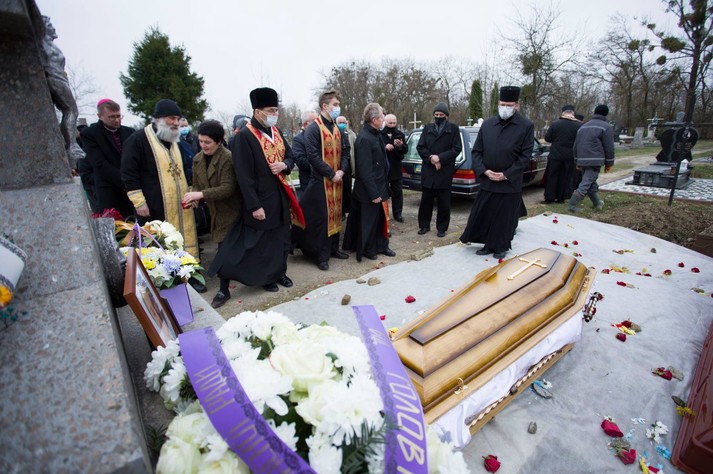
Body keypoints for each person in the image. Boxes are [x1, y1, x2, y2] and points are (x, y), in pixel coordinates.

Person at [209, 87, 302, 292]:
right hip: (261, 199)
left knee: (281, 238)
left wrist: (284, 165)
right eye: (271, 110)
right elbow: (243, 176)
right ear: (257, 111)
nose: (275, 114)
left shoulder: (276, 132)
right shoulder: (244, 136)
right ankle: (267, 278)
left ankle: (281, 272)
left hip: (281, 196)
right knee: (265, 243)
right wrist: (254, 206)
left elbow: (291, 156)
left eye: (276, 110)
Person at [121, 99, 203, 292]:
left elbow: (186, 168)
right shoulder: (138, 140)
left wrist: (191, 192)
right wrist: (139, 202)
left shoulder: (175, 140)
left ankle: (189, 273)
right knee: (160, 241)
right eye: (171, 118)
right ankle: (167, 281)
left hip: (181, 202)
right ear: (158, 119)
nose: (175, 122)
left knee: (184, 236)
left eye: (177, 118)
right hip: (154, 205)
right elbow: (128, 173)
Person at [459, 86, 534, 259]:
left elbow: (525, 156)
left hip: (509, 182)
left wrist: (506, 174)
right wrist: (484, 171)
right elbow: (476, 152)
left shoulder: (526, 126)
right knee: (485, 214)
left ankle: (500, 246)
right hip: (488, 180)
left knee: (504, 217)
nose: (505, 108)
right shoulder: (488, 124)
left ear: (516, 106)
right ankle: (486, 243)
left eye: (509, 105)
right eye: (502, 104)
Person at [181, 120, 242, 308]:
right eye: (200, 141)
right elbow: (197, 183)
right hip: (212, 210)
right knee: (226, 250)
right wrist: (195, 197)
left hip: (230, 210)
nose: (203, 145)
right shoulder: (198, 159)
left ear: (219, 141)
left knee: (223, 250)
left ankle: (223, 290)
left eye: (207, 142)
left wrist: (200, 195)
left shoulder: (227, 158)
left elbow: (227, 188)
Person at [292, 90, 351, 271]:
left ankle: (333, 249)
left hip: (337, 180)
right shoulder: (313, 128)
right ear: (325, 106)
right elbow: (313, 156)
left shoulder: (337, 128)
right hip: (320, 182)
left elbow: (346, 151)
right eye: (335, 104)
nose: (338, 107)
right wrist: (331, 173)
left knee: (336, 215)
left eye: (338, 104)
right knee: (322, 219)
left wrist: (341, 170)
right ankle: (321, 255)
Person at [343, 103, 395, 261]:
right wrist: (374, 193)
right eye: (382, 117)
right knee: (369, 222)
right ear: (374, 119)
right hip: (370, 190)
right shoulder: (365, 138)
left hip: (380, 185)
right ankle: (368, 249)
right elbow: (364, 170)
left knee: (380, 220)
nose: (384, 119)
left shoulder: (376, 134)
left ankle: (382, 245)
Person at [80, 99, 136, 218]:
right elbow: (99, 163)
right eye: (112, 117)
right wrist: (125, 180)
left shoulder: (130, 132)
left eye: (118, 116)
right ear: (100, 116)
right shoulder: (90, 134)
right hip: (109, 190)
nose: (116, 120)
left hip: (131, 189)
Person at [416, 102, 462, 237]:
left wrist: (440, 158)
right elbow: (420, 147)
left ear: (446, 116)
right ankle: (424, 225)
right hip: (429, 170)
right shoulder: (427, 128)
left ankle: (442, 228)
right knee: (426, 201)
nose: (438, 116)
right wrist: (431, 158)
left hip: (444, 171)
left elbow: (456, 149)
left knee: (444, 203)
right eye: (436, 114)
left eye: (441, 114)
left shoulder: (453, 129)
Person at [569, 104, 615, 212]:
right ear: (606, 114)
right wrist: (609, 163)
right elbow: (609, 147)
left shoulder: (583, 126)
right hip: (595, 160)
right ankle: (572, 205)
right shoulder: (606, 127)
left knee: (590, 182)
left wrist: (577, 160)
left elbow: (576, 145)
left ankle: (597, 203)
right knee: (586, 183)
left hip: (582, 159)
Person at [543, 105, 581, 203]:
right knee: (566, 177)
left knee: (552, 176)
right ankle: (561, 198)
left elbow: (547, 138)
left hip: (556, 154)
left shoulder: (555, 124)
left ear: (563, 113)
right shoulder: (578, 125)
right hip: (570, 155)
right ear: (573, 113)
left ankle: (549, 198)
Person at [382, 114, 408, 222]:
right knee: (383, 192)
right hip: (383, 168)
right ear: (385, 122)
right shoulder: (380, 134)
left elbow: (405, 150)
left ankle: (397, 214)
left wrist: (400, 146)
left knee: (397, 192)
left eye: (394, 123)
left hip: (396, 167)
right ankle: (383, 214)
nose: (392, 125)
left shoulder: (400, 134)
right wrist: (384, 147)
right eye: (390, 123)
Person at [292, 110, 318, 196]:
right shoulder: (298, 140)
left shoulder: (320, 137)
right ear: (306, 124)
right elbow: (300, 161)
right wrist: (321, 167)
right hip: (309, 184)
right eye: (315, 121)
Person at [336, 115, 357, 218]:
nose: (342, 124)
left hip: (348, 165)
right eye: (340, 122)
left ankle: (347, 209)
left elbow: (355, 149)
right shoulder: (334, 133)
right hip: (337, 166)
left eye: (344, 122)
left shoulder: (351, 134)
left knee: (348, 189)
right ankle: (341, 211)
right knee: (340, 190)